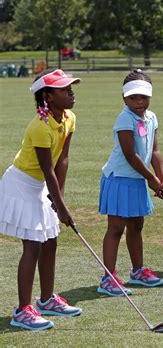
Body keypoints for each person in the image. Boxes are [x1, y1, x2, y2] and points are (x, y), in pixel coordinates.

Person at [0, 69, 82, 330]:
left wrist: (60, 200)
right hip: (22, 184)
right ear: (47, 96)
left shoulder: (69, 118)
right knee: (33, 245)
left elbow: (63, 160)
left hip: (42, 184)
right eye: (64, 89)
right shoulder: (40, 126)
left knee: (51, 242)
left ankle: (47, 299)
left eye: (71, 87)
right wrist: (60, 207)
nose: (71, 92)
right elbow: (47, 169)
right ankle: (23, 310)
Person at [98, 69, 163, 296]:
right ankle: (108, 278)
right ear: (124, 98)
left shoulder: (152, 117)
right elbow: (130, 155)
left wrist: (161, 179)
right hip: (119, 178)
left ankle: (138, 271)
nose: (139, 102)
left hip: (138, 178)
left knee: (137, 225)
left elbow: (155, 151)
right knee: (116, 228)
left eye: (143, 97)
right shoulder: (124, 119)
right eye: (133, 97)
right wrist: (152, 179)